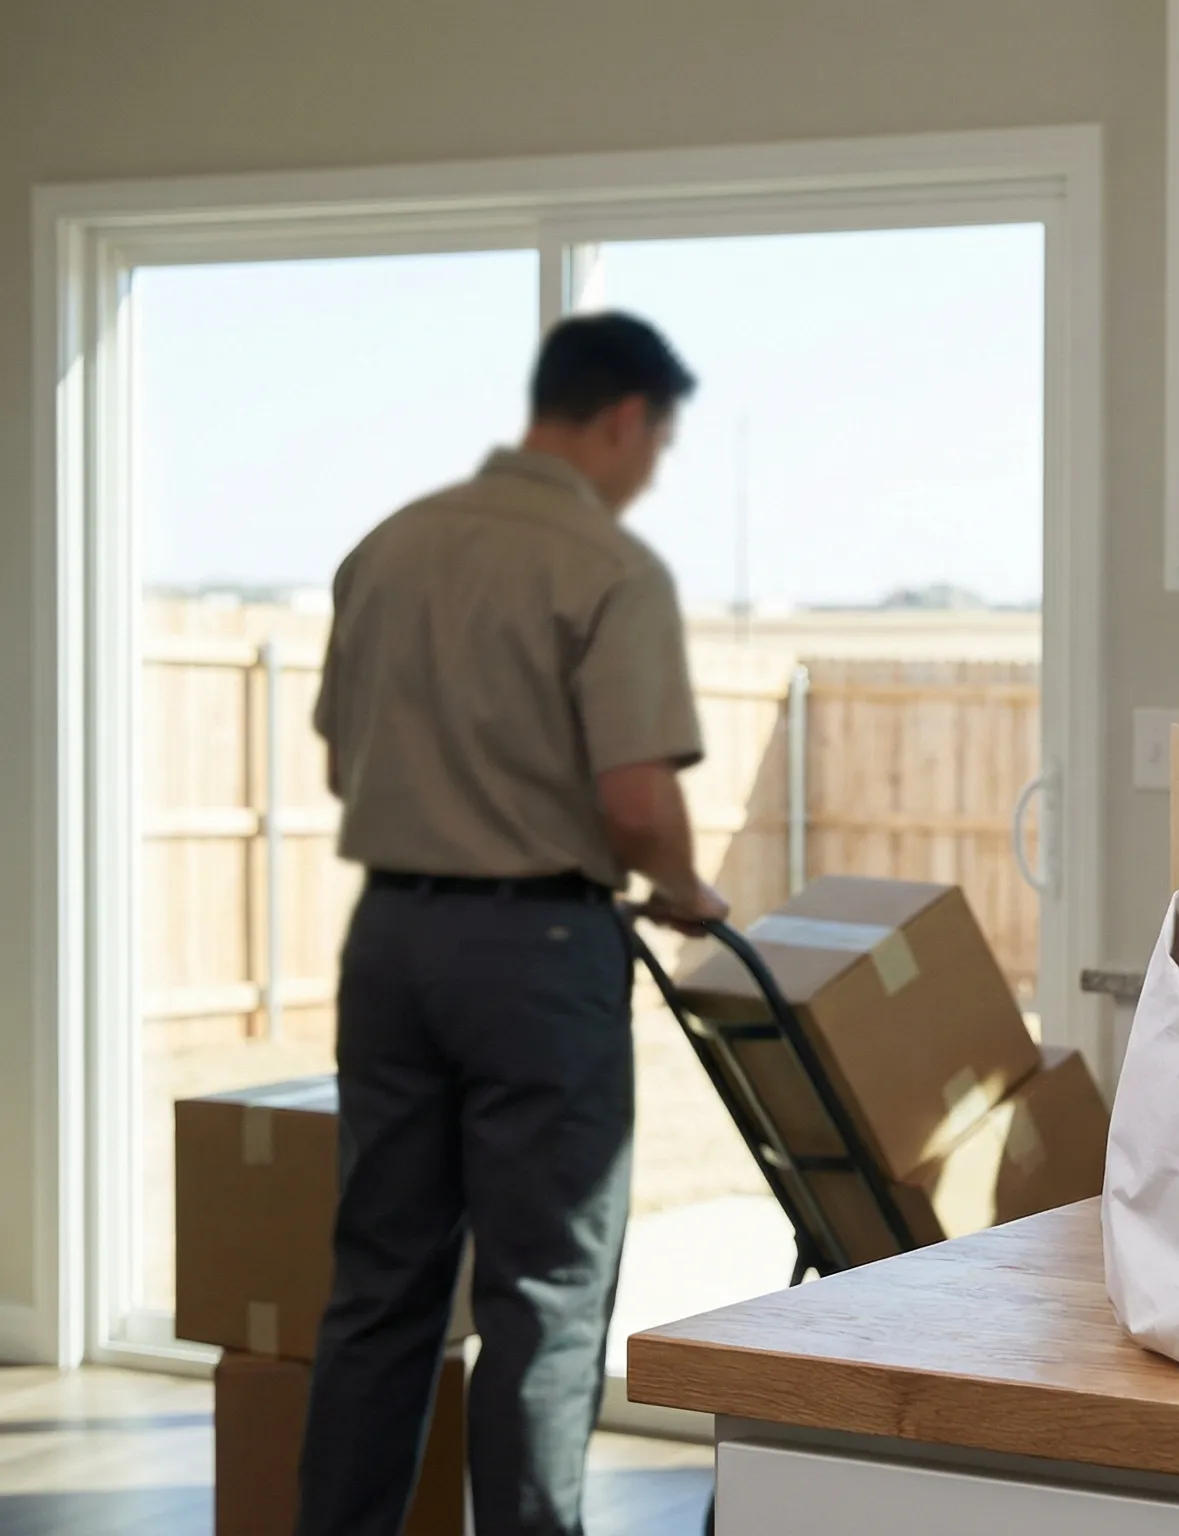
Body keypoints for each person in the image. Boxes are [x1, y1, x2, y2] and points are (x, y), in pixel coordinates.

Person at [299, 312, 730, 1536]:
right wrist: (686, 889)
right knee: (543, 1295)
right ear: (624, 419)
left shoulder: (388, 547)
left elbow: (347, 766)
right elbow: (637, 803)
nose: (652, 468)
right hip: (536, 959)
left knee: (381, 1283)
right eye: (657, 442)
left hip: (389, 945)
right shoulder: (604, 566)